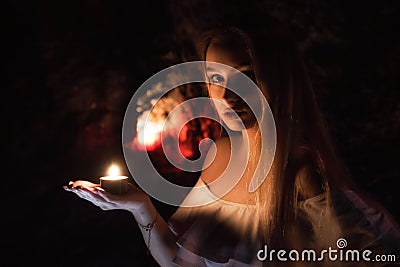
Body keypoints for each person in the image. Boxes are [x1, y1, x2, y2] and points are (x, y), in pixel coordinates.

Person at [64, 25, 400, 266]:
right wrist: (139, 207)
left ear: (277, 80)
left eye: (246, 76)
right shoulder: (218, 156)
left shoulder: (301, 174)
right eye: (215, 79)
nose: (226, 96)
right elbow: (178, 262)